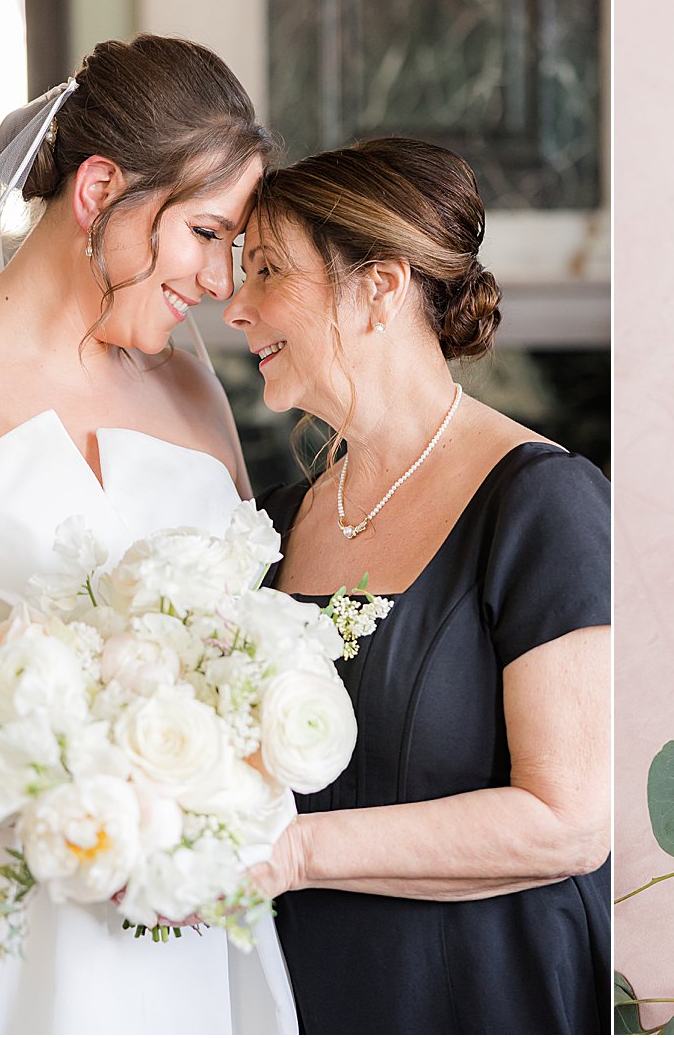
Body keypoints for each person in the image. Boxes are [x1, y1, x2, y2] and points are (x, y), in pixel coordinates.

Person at [0, 35, 297, 1033]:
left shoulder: (193, 394)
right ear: (100, 187)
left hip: (175, 923)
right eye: (204, 232)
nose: (221, 281)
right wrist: (23, 787)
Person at [225, 138, 611, 1035]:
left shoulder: (540, 504)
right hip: (297, 996)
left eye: (270, 271)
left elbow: (569, 819)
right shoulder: (274, 523)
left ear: (381, 286)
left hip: (478, 992)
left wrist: (300, 853)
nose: (236, 306)